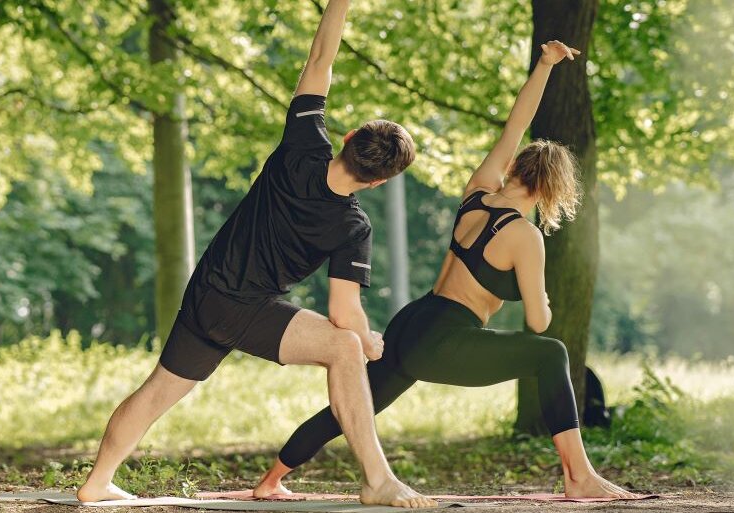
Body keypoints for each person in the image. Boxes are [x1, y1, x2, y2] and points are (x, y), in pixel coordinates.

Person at [76, 0, 437, 508]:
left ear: (350, 138)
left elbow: (319, 61)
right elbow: (342, 312)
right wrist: (367, 339)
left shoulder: (302, 143)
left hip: (206, 292)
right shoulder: (353, 225)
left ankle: (98, 481)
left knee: (157, 389)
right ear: (378, 180)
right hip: (243, 306)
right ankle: (377, 479)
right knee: (346, 348)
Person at [253, 40, 642, 500]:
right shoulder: (525, 235)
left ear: (515, 167)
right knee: (551, 352)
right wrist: (543, 297)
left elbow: (515, 125)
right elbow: (537, 323)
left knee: (353, 407)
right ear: (552, 191)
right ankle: (579, 477)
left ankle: (271, 480)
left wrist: (544, 65)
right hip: (447, 338)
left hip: (414, 320)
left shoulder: (479, 191)